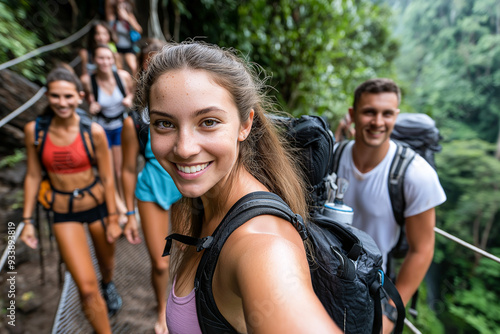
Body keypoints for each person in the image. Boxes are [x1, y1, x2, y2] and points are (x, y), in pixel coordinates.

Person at [136, 42, 341, 333]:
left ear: (245, 124)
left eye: (208, 122)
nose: (184, 148)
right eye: (164, 124)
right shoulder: (205, 201)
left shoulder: (263, 246)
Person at [333, 78, 446, 333]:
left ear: (396, 116)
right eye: (369, 112)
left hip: (371, 292)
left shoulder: (415, 175)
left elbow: (422, 249)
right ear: (352, 115)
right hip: (323, 279)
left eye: (387, 114)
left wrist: (391, 312)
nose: (378, 122)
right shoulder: (333, 156)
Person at [20, 66, 123, 334]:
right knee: (87, 289)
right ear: (48, 97)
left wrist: (114, 218)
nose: (62, 103)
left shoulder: (95, 131)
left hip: (98, 208)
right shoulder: (35, 132)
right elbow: (32, 176)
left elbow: (108, 178)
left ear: (79, 97)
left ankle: (109, 284)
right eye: (55, 96)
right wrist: (27, 220)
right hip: (64, 213)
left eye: (68, 97)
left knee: (107, 265)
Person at [121, 38, 182, 334]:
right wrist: (127, 212)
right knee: (160, 263)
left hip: (185, 184)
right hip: (152, 187)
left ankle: (185, 309)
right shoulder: (134, 120)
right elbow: (128, 167)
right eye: (151, 60)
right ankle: (161, 311)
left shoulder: (185, 106)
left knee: (187, 257)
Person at [82, 44, 134, 221]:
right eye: (101, 58)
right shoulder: (89, 81)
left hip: (120, 127)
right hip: (102, 130)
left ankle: (127, 205)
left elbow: (132, 92)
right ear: (94, 60)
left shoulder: (123, 76)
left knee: (119, 170)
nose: (105, 62)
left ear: (113, 59)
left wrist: (128, 99)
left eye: (108, 58)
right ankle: (119, 209)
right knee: (109, 170)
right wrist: (92, 107)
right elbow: (89, 100)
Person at [105, 0, 142, 76]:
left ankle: (135, 85)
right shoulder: (112, 17)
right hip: (117, 47)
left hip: (129, 46)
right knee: (119, 69)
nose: (121, 9)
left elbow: (139, 30)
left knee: (134, 67)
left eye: (123, 7)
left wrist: (127, 18)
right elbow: (108, 4)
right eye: (119, 8)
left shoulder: (129, 16)